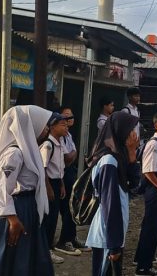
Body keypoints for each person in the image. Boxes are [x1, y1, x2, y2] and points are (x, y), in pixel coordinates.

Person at [0, 106, 56, 276]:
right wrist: (12, 219)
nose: (46, 130)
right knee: (13, 261)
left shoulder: (29, 151)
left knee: (27, 261)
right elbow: (0, 188)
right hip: (16, 211)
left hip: (27, 208)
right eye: (44, 125)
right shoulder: (14, 154)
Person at [85, 112, 140, 276]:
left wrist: (132, 153)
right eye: (130, 129)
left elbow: (134, 185)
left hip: (113, 231)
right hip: (107, 234)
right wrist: (115, 244)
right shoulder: (109, 161)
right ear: (120, 130)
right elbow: (110, 205)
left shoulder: (119, 155)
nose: (134, 134)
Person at [133, 111, 157, 276]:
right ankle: (144, 266)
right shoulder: (154, 143)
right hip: (155, 185)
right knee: (152, 226)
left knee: (153, 225)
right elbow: (148, 170)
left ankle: (143, 258)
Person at [55, 108, 90, 256]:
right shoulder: (58, 138)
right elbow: (67, 158)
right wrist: (74, 154)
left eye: (71, 116)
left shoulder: (68, 135)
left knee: (73, 207)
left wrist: (73, 155)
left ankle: (72, 237)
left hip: (69, 173)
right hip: (61, 174)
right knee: (67, 209)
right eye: (65, 117)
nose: (69, 119)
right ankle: (63, 241)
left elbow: (72, 156)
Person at [40, 113, 69, 264]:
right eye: (62, 125)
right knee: (49, 218)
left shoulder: (60, 142)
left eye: (66, 124)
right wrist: (48, 188)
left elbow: (59, 167)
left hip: (57, 182)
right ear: (52, 127)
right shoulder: (48, 145)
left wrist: (62, 184)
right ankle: (46, 250)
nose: (66, 127)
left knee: (54, 217)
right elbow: (43, 168)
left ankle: (47, 248)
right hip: (49, 183)